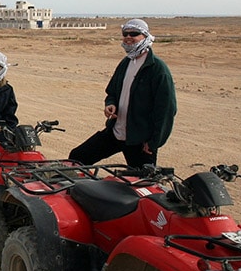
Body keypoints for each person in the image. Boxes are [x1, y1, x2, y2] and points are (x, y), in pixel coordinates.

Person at [68, 19, 177, 168]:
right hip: (115, 132)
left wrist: (154, 142)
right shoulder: (126, 63)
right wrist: (110, 104)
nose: (128, 37)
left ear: (145, 36)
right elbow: (112, 91)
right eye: (125, 33)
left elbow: (166, 110)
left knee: (142, 183)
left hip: (139, 139)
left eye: (134, 33)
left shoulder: (157, 69)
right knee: (77, 158)